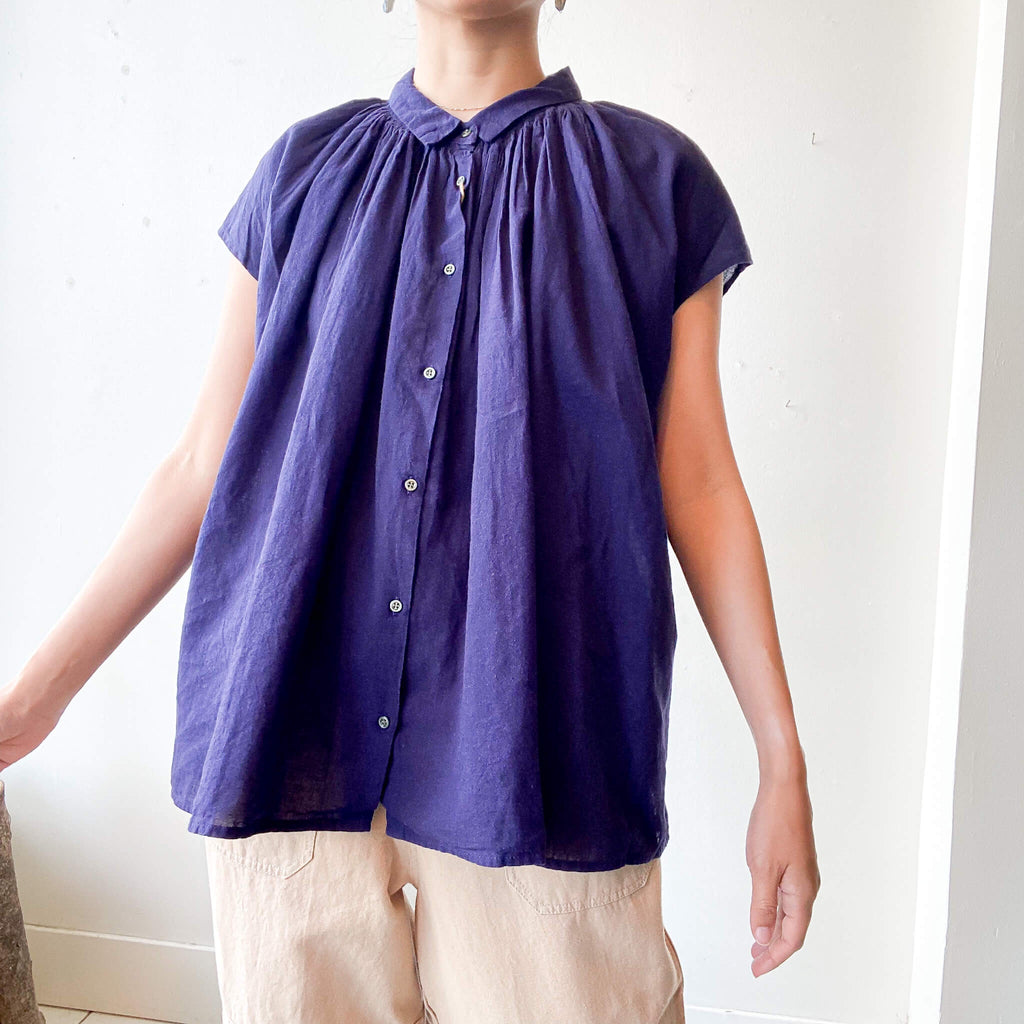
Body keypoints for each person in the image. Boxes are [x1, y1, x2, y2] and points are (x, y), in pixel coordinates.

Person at [0, 1, 821, 1021]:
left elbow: (697, 482)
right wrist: (35, 697)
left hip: (540, 754)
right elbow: (202, 463)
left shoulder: (653, 185)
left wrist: (780, 758)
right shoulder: (302, 174)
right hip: (292, 735)